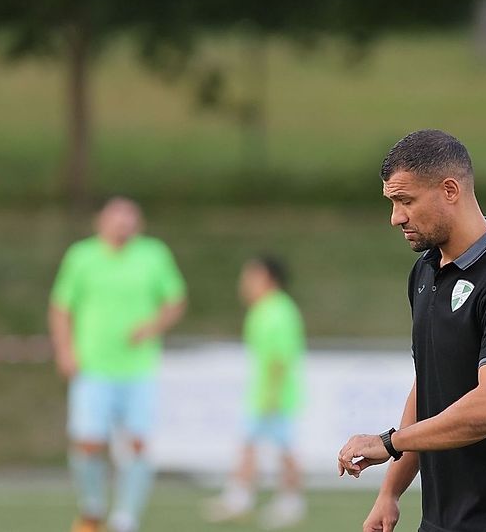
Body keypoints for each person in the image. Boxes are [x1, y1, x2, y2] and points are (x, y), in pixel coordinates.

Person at [337, 129, 486, 532]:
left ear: (449, 189)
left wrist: (390, 442)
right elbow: (429, 383)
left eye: (405, 201)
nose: (396, 217)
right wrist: (390, 490)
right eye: (392, 203)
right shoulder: (425, 271)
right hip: (442, 521)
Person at [49, 197, 187, 532]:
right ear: (101, 221)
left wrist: (152, 326)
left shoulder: (153, 254)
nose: (123, 224)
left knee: (138, 443)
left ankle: (127, 517)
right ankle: (92, 508)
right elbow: (61, 307)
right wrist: (65, 350)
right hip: (93, 367)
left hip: (138, 369)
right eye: (117, 218)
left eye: (129, 218)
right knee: (89, 442)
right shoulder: (81, 256)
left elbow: (175, 301)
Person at [207, 255, 307, 529]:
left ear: (268, 278)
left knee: (283, 448)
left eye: (251, 275)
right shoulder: (263, 310)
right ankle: (240, 496)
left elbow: (280, 359)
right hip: (263, 392)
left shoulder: (278, 311)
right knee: (251, 443)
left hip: (275, 395)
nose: (245, 282)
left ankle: (290, 501)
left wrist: (272, 395)